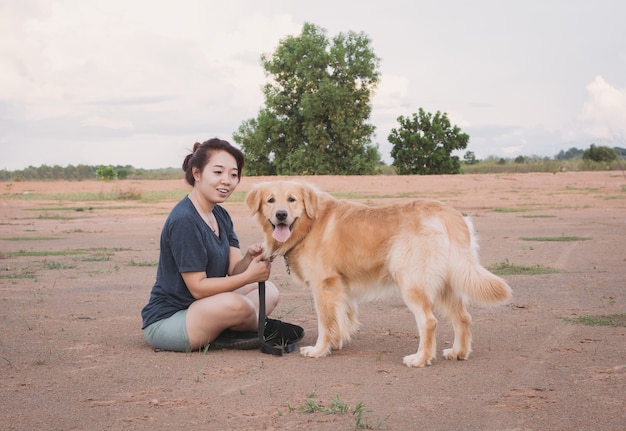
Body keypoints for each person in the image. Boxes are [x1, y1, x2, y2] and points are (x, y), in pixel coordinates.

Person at [141, 138, 280, 352]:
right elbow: (197, 288)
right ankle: (250, 326)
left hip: (206, 307)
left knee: (270, 291)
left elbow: (234, 270)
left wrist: (250, 259)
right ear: (197, 174)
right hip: (171, 319)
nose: (227, 180)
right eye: (218, 172)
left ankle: (228, 327)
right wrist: (249, 277)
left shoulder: (220, 214)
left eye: (233, 175)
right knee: (237, 305)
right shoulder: (185, 220)